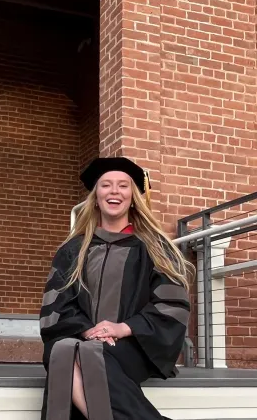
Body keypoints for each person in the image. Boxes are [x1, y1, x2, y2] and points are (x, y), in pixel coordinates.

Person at [39, 157, 194, 420]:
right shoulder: (73, 250)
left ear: (133, 196)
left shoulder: (155, 248)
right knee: (65, 349)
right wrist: (88, 330)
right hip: (81, 338)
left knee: (77, 355)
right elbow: (57, 306)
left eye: (123, 186)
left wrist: (121, 328)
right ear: (95, 196)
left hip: (134, 344)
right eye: (106, 185)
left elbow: (172, 305)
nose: (114, 191)